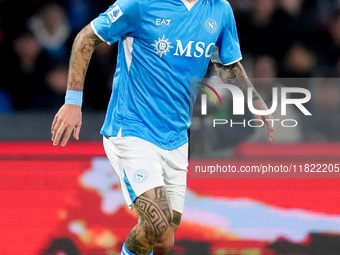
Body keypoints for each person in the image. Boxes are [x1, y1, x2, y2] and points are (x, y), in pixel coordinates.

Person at [51, 0, 275, 254]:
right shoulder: (140, 4)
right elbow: (86, 37)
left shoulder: (220, 10)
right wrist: (72, 101)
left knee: (164, 239)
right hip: (133, 127)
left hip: (177, 136)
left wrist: (254, 99)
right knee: (154, 221)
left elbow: (226, 63)